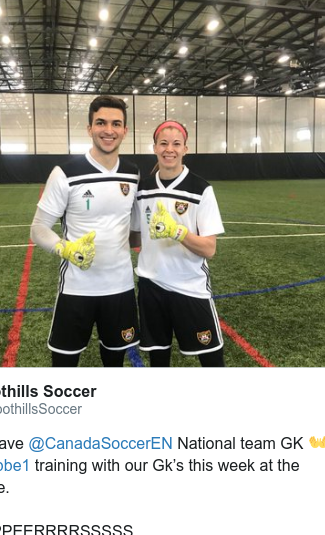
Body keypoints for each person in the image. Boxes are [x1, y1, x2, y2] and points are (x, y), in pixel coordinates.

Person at [30, 95, 139, 367]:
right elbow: (39, 228)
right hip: (77, 290)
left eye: (116, 124)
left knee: (114, 362)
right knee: (65, 364)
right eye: (101, 122)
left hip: (120, 288)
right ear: (89, 128)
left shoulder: (134, 175)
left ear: (125, 130)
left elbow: (136, 229)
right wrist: (65, 249)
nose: (109, 130)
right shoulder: (65, 173)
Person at [132, 120, 225, 367]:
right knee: (158, 359)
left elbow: (209, 249)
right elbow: (134, 237)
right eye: (163, 143)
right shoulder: (142, 190)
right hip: (151, 287)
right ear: (154, 148)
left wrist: (178, 232)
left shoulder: (201, 189)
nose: (169, 149)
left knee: (212, 359)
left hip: (189, 287)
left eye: (176, 144)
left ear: (185, 148)